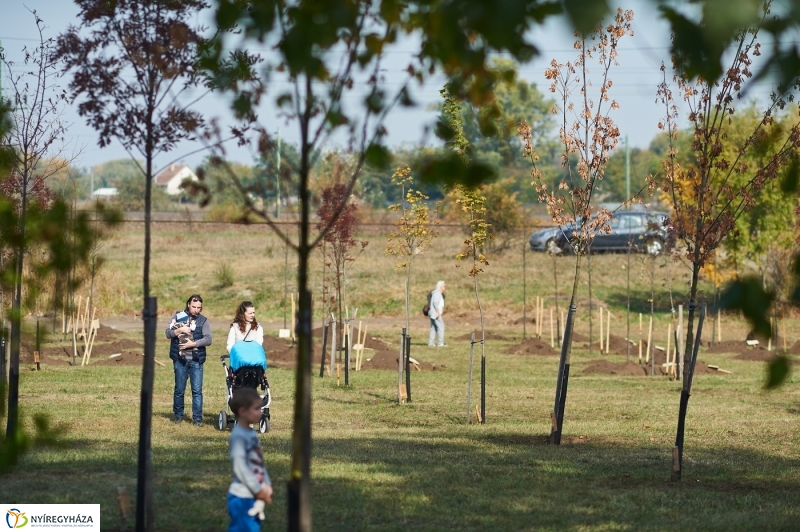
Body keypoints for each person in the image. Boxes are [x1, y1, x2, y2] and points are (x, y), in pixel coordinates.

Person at [227, 388, 273, 532]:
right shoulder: (238, 437)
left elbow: (258, 462)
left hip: (253, 494)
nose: (261, 412)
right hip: (242, 496)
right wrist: (257, 489)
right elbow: (240, 467)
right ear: (242, 411)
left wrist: (266, 484)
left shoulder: (251, 433)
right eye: (256, 408)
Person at [166, 294, 212, 426]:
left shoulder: (203, 321)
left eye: (199, 308)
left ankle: (197, 418)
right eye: (194, 307)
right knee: (179, 389)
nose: (196, 310)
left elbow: (208, 339)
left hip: (196, 360)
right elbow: (167, 333)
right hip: (180, 359)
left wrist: (194, 344)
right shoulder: (178, 316)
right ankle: (178, 415)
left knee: (197, 391)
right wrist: (179, 329)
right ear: (188, 304)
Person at [428, 280, 446, 347]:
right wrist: (438, 312)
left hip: (433, 313)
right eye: (444, 286)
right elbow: (435, 303)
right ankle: (440, 343)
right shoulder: (437, 293)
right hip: (435, 313)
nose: (445, 287)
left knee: (434, 328)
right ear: (440, 287)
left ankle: (431, 343)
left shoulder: (436, 293)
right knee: (441, 327)